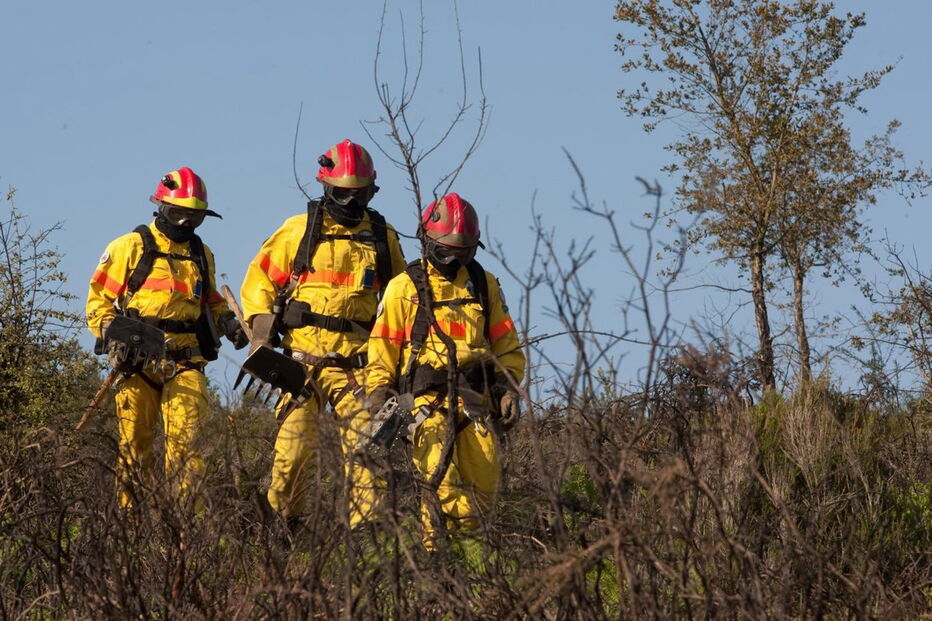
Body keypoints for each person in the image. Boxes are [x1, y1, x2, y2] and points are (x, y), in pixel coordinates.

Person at [240, 139, 406, 528]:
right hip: (300, 364)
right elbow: (259, 280)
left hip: (359, 366)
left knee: (369, 449)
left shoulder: (384, 236)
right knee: (294, 449)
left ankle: (367, 537)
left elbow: (403, 300)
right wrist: (262, 330)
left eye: (359, 194)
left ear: (371, 191)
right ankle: (284, 528)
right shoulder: (298, 231)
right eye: (343, 194)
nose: (351, 203)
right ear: (327, 186)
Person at [365, 192, 525, 548]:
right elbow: (382, 350)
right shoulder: (404, 288)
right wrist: (378, 395)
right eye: (445, 250)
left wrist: (507, 388)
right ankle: (438, 561)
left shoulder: (484, 285)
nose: (453, 258)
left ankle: (471, 569)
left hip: (475, 404)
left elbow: (506, 348)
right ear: (426, 241)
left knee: (485, 488)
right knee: (443, 487)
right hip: (424, 405)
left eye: (462, 251)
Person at [86, 166, 248, 509]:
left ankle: (188, 531)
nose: (186, 224)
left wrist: (230, 323)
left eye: (194, 217)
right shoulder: (130, 246)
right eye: (179, 214)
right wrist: (118, 336)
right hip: (137, 364)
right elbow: (97, 305)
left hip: (185, 361)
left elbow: (211, 301)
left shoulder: (202, 254)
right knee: (134, 446)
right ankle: (130, 528)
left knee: (188, 446)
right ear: (161, 207)